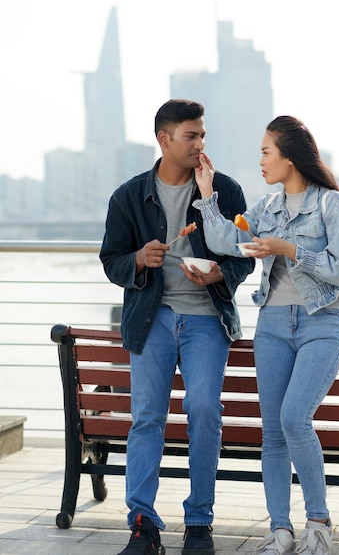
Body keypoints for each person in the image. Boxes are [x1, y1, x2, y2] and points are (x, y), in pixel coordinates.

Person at [192, 115, 339, 555]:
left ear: (289, 156)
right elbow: (231, 241)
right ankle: (280, 531)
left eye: (266, 151)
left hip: (321, 323)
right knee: (273, 431)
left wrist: (289, 249)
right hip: (272, 325)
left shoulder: (332, 205)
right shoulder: (267, 209)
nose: (261, 161)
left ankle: (318, 525)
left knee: (293, 419)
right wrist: (208, 195)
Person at [99, 99, 255, 555]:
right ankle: (143, 524)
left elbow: (243, 254)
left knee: (205, 410)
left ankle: (199, 522)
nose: (201, 143)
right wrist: (138, 261)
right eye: (192, 135)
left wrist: (220, 274)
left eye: (203, 134)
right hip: (152, 320)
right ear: (164, 139)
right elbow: (112, 261)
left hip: (207, 318)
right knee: (147, 418)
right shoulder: (128, 196)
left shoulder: (223, 189)